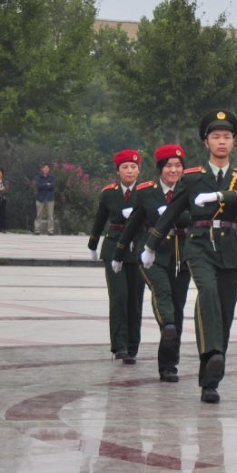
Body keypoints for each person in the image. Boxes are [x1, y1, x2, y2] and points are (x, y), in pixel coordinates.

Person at [143, 109, 237, 401]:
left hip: (229, 246)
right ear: (206, 142)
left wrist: (222, 197)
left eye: (227, 137)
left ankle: (211, 379)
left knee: (226, 310)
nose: (222, 142)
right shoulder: (193, 177)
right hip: (199, 244)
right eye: (216, 137)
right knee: (207, 294)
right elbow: (171, 212)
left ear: (233, 142)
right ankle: (213, 352)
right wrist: (151, 245)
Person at [120, 145, 192, 381]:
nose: (173, 170)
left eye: (178, 166)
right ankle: (167, 323)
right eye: (169, 166)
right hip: (152, 252)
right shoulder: (146, 192)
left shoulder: (189, 189)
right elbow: (133, 223)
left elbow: (194, 217)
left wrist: (172, 213)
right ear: (160, 168)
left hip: (180, 254)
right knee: (163, 294)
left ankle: (168, 365)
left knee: (178, 306)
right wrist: (119, 253)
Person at [88, 149, 146, 365]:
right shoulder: (109, 193)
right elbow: (100, 220)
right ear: (118, 171)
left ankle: (132, 346)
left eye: (133, 167)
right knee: (119, 297)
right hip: (114, 248)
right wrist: (93, 244)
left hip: (137, 249)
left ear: (139, 170)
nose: (129, 171)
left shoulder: (146, 192)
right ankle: (119, 346)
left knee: (135, 299)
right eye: (125, 167)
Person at [33, 164, 58, 235]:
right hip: (40, 198)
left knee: (50, 215)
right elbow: (39, 186)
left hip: (50, 198)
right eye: (44, 168)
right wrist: (47, 184)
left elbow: (52, 186)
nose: (46, 169)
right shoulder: (38, 177)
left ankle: (50, 230)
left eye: (47, 168)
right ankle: (37, 229)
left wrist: (44, 185)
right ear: (42, 169)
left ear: (49, 169)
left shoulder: (52, 177)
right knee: (39, 214)